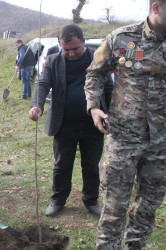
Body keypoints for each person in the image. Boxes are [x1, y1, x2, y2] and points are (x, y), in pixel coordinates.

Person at [84, 0, 166, 248]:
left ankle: (136, 245)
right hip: (123, 139)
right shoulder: (121, 38)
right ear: (157, 7)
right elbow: (95, 73)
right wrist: (94, 107)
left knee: (149, 206)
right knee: (114, 205)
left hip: (161, 142)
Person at [29, 24, 113, 218]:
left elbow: (108, 86)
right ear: (60, 45)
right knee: (62, 165)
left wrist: (112, 114)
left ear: (84, 42)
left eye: (75, 48)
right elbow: (42, 84)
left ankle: (91, 201)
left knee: (91, 165)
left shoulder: (97, 58)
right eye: (66, 49)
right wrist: (37, 105)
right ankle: (58, 200)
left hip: (93, 124)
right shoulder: (52, 60)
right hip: (63, 123)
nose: (71, 53)